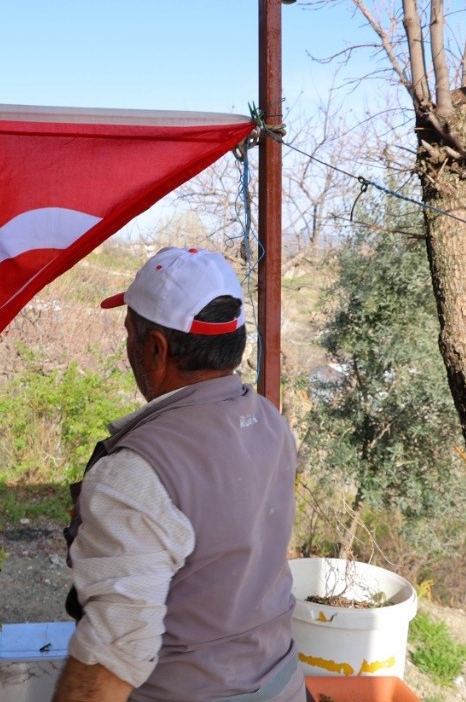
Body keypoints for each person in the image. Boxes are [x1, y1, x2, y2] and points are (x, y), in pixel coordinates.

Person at [55, 247, 304, 702]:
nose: (127, 347)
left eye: (130, 333)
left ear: (155, 348)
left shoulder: (136, 472)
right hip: (282, 683)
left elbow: (110, 659)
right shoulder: (270, 423)